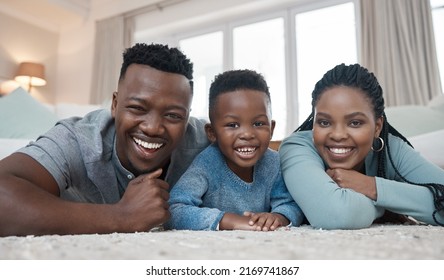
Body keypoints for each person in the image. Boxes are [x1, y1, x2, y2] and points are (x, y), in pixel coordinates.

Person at [0, 43, 210, 236]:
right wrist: (122, 216)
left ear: (187, 117)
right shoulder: (77, 140)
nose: (153, 128)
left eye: (173, 115)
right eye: (137, 108)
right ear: (115, 104)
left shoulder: (204, 138)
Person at [279, 63, 444, 229]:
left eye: (355, 123)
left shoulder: (391, 150)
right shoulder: (296, 148)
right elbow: (337, 215)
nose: (338, 135)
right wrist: (385, 205)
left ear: (377, 127)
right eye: (324, 122)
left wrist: (371, 186)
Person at [166, 69, 304, 231]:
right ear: (212, 133)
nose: (247, 134)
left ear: (271, 128)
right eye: (232, 125)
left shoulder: (273, 162)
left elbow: (290, 203)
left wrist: (278, 217)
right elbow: (174, 210)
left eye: (258, 124)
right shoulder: (207, 164)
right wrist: (227, 220)